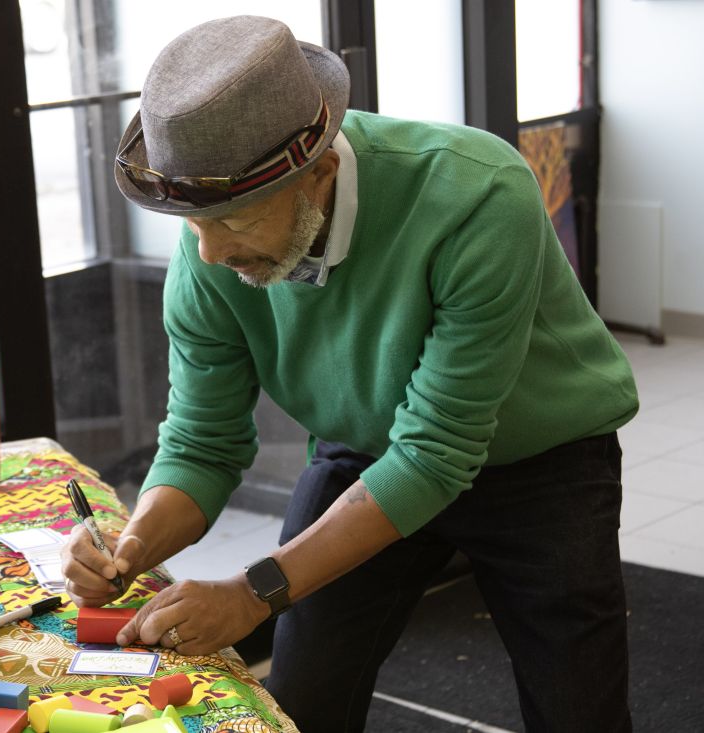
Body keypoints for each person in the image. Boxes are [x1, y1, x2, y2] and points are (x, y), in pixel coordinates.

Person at [59, 14, 639, 733]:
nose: (207, 254)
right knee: (299, 702)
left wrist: (253, 589)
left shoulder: (481, 193)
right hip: (364, 447)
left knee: (578, 709)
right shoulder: (208, 246)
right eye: (193, 224)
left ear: (320, 175)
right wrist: (133, 542)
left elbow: (434, 454)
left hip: (538, 459)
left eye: (233, 222)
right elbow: (203, 443)